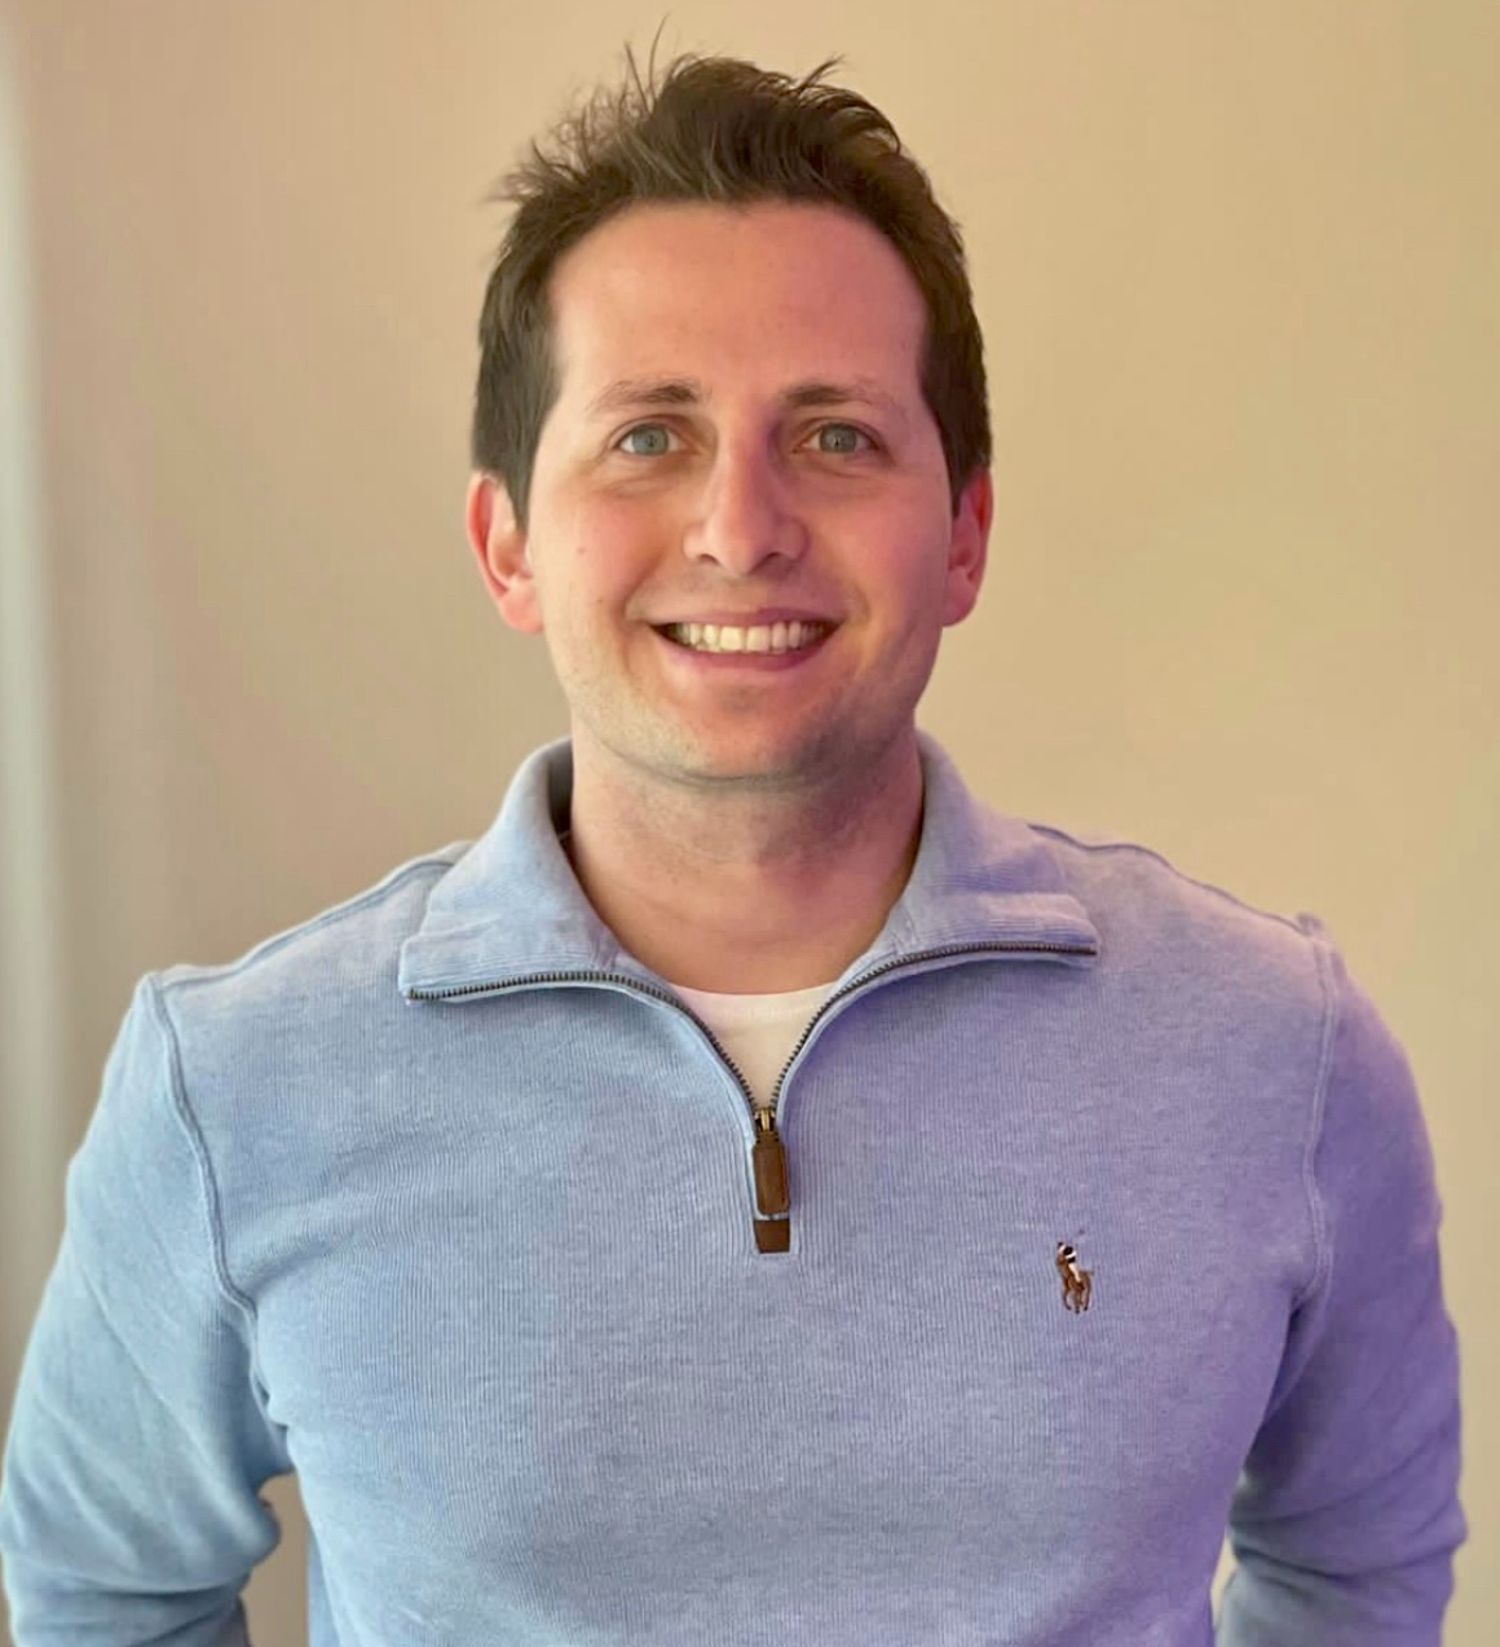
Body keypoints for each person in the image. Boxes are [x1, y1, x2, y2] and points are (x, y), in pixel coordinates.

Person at [0, 36, 1467, 1647]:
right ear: (508, 544)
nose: (741, 529)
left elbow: (1358, 1566)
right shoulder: (231, 1090)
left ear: (965, 533)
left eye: (835, 436)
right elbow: (107, 1594)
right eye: (650, 436)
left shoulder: (1274, 1050)